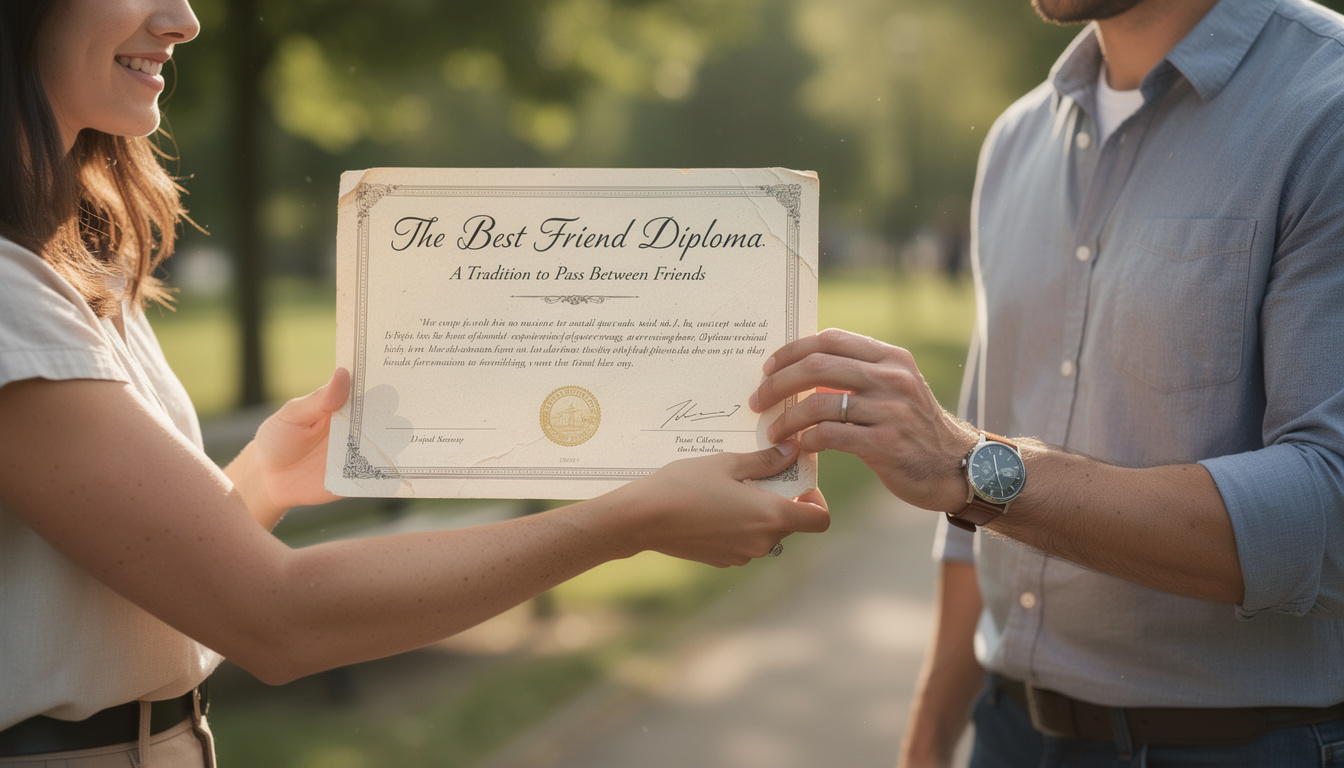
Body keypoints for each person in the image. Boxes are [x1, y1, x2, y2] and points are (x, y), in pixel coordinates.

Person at [0, 1, 831, 765]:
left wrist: (256, 483)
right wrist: (634, 516)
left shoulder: (63, 265)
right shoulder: (7, 293)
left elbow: (132, 589)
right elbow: (277, 618)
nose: (183, 20)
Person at [752, 0, 1344, 765]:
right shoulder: (1017, 139)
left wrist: (973, 469)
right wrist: (932, 731)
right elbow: (976, 494)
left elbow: (1328, 510)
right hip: (1006, 731)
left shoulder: (1325, 109)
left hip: (1242, 746)